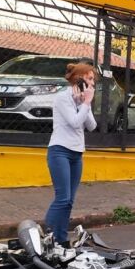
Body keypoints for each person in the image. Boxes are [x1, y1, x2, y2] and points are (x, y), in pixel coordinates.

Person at [44, 62, 97, 246]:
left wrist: (85, 103)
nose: (92, 84)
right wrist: (86, 103)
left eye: (93, 80)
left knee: (69, 202)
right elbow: (75, 123)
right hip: (59, 151)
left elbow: (92, 126)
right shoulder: (62, 98)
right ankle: (45, 234)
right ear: (79, 78)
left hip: (76, 154)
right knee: (63, 198)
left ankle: (61, 240)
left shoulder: (82, 100)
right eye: (89, 79)